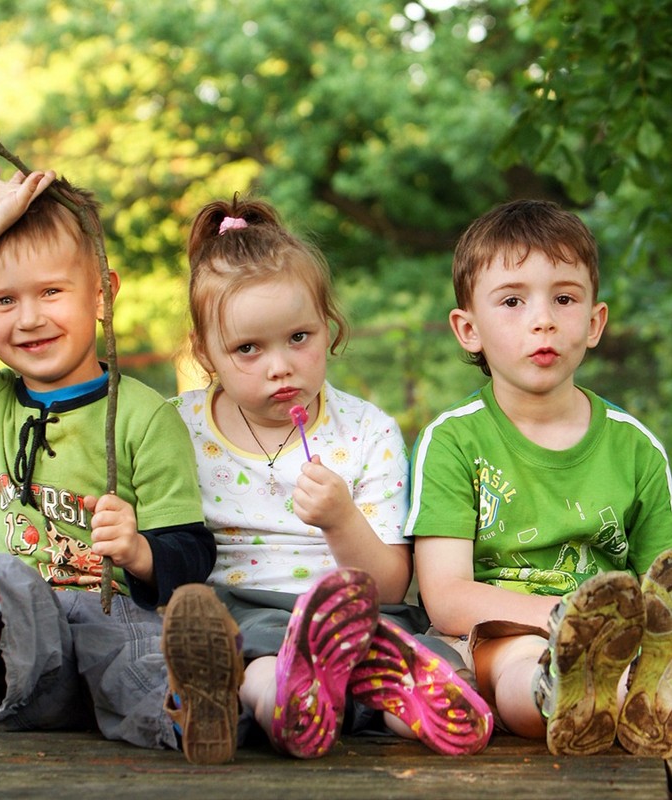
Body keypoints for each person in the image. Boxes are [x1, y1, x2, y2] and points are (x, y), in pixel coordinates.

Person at [0, 167, 243, 764]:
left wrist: (139, 552)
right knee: (12, 586)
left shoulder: (143, 417)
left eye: (51, 292)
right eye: (6, 300)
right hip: (28, 650)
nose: (28, 318)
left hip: (118, 626)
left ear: (102, 293)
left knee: (141, 673)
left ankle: (194, 718)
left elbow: (192, 552)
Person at [167, 197, 494, 761]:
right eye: (248, 348)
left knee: (415, 646)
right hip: (245, 610)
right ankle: (291, 702)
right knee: (253, 662)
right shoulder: (178, 428)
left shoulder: (367, 432)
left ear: (329, 327)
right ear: (206, 352)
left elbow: (390, 586)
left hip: (357, 613)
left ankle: (408, 707)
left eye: (299, 337)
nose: (281, 365)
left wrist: (342, 521)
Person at [407, 198, 672, 756]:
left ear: (594, 322)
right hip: (498, 637)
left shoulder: (635, 448)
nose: (543, 318)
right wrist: (564, 618)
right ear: (468, 329)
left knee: (644, 666)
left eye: (565, 298)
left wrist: (616, 632)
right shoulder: (455, 441)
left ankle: (630, 700)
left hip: (617, 644)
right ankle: (569, 701)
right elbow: (447, 597)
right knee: (521, 670)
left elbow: (659, 591)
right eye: (511, 300)